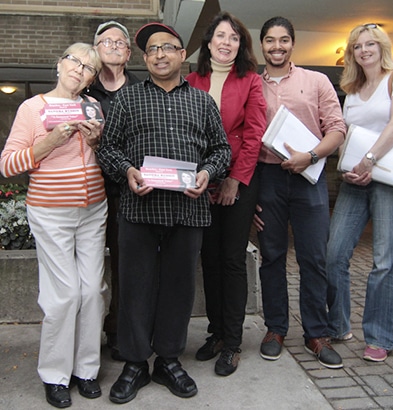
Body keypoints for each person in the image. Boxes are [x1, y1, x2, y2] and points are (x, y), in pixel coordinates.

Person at [96, 22, 230, 403]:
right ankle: (135, 362)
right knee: (135, 288)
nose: (159, 55)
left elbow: (221, 150)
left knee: (179, 288)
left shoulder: (203, 101)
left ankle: (168, 359)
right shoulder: (128, 98)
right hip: (139, 208)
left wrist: (207, 172)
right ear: (145, 58)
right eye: (152, 50)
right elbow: (107, 148)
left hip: (187, 211)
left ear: (181, 54)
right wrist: (127, 171)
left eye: (167, 48)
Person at [0, 43, 105, 408]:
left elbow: (102, 156)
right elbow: (8, 165)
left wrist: (96, 141)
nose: (80, 69)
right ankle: (55, 375)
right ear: (59, 63)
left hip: (94, 210)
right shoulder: (33, 108)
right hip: (50, 211)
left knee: (92, 291)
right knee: (64, 296)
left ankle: (86, 369)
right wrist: (49, 143)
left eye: (90, 67)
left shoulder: (92, 107)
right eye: (75, 61)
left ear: (93, 79)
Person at [254, 16, 345, 369]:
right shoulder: (250, 84)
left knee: (313, 257)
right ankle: (275, 328)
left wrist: (310, 156)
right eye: (270, 41)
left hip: (310, 176)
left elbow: (337, 129)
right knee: (272, 255)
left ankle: (316, 334)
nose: (277, 46)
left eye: (284, 40)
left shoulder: (317, 81)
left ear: (293, 44)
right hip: (268, 178)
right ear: (261, 45)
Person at [326, 24, 393, 362]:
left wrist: (369, 161)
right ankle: (338, 325)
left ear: (382, 48)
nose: (363, 50)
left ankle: (380, 336)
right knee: (334, 255)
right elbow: (347, 134)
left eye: (370, 44)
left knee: (384, 261)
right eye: (357, 46)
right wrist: (350, 166)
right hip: (355, 179)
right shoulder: (352, 88)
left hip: (389, 178)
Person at [186, 11, 266, 376]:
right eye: (220, 36)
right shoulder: (191, 79)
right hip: (199, 183)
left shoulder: (250, 80)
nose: (226, 43)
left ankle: (232, 343)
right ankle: (216, 332)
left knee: (232, 260)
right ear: (208, 41)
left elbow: (254, 135)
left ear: (241, 44)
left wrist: (235, 179)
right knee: (209, 259)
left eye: (234, 38)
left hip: (237, 181)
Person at [87, 20, 141, 361]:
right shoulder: (83, 90)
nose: (113, 46)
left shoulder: (141, 89)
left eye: (120, 42)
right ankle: (86, 337)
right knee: (90, 272)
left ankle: (120, 332)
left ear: (129, 51)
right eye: (106, 41)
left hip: (128, 192)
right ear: (95, 49)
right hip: (89, 191)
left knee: (126, 266)